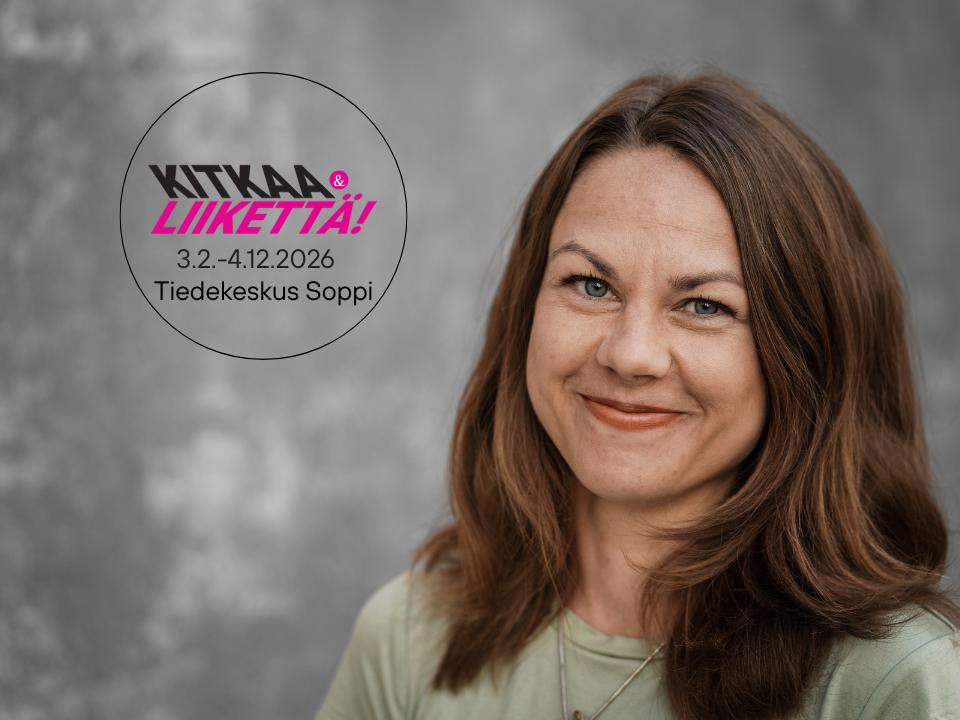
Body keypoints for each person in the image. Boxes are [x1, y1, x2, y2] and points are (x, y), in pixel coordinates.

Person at [314, 69, 960, 720]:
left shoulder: (897, 681)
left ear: (809, 354)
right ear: (525, 309)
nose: (630, 355)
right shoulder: (406, 639)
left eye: (705, 305)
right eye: (591, 285)